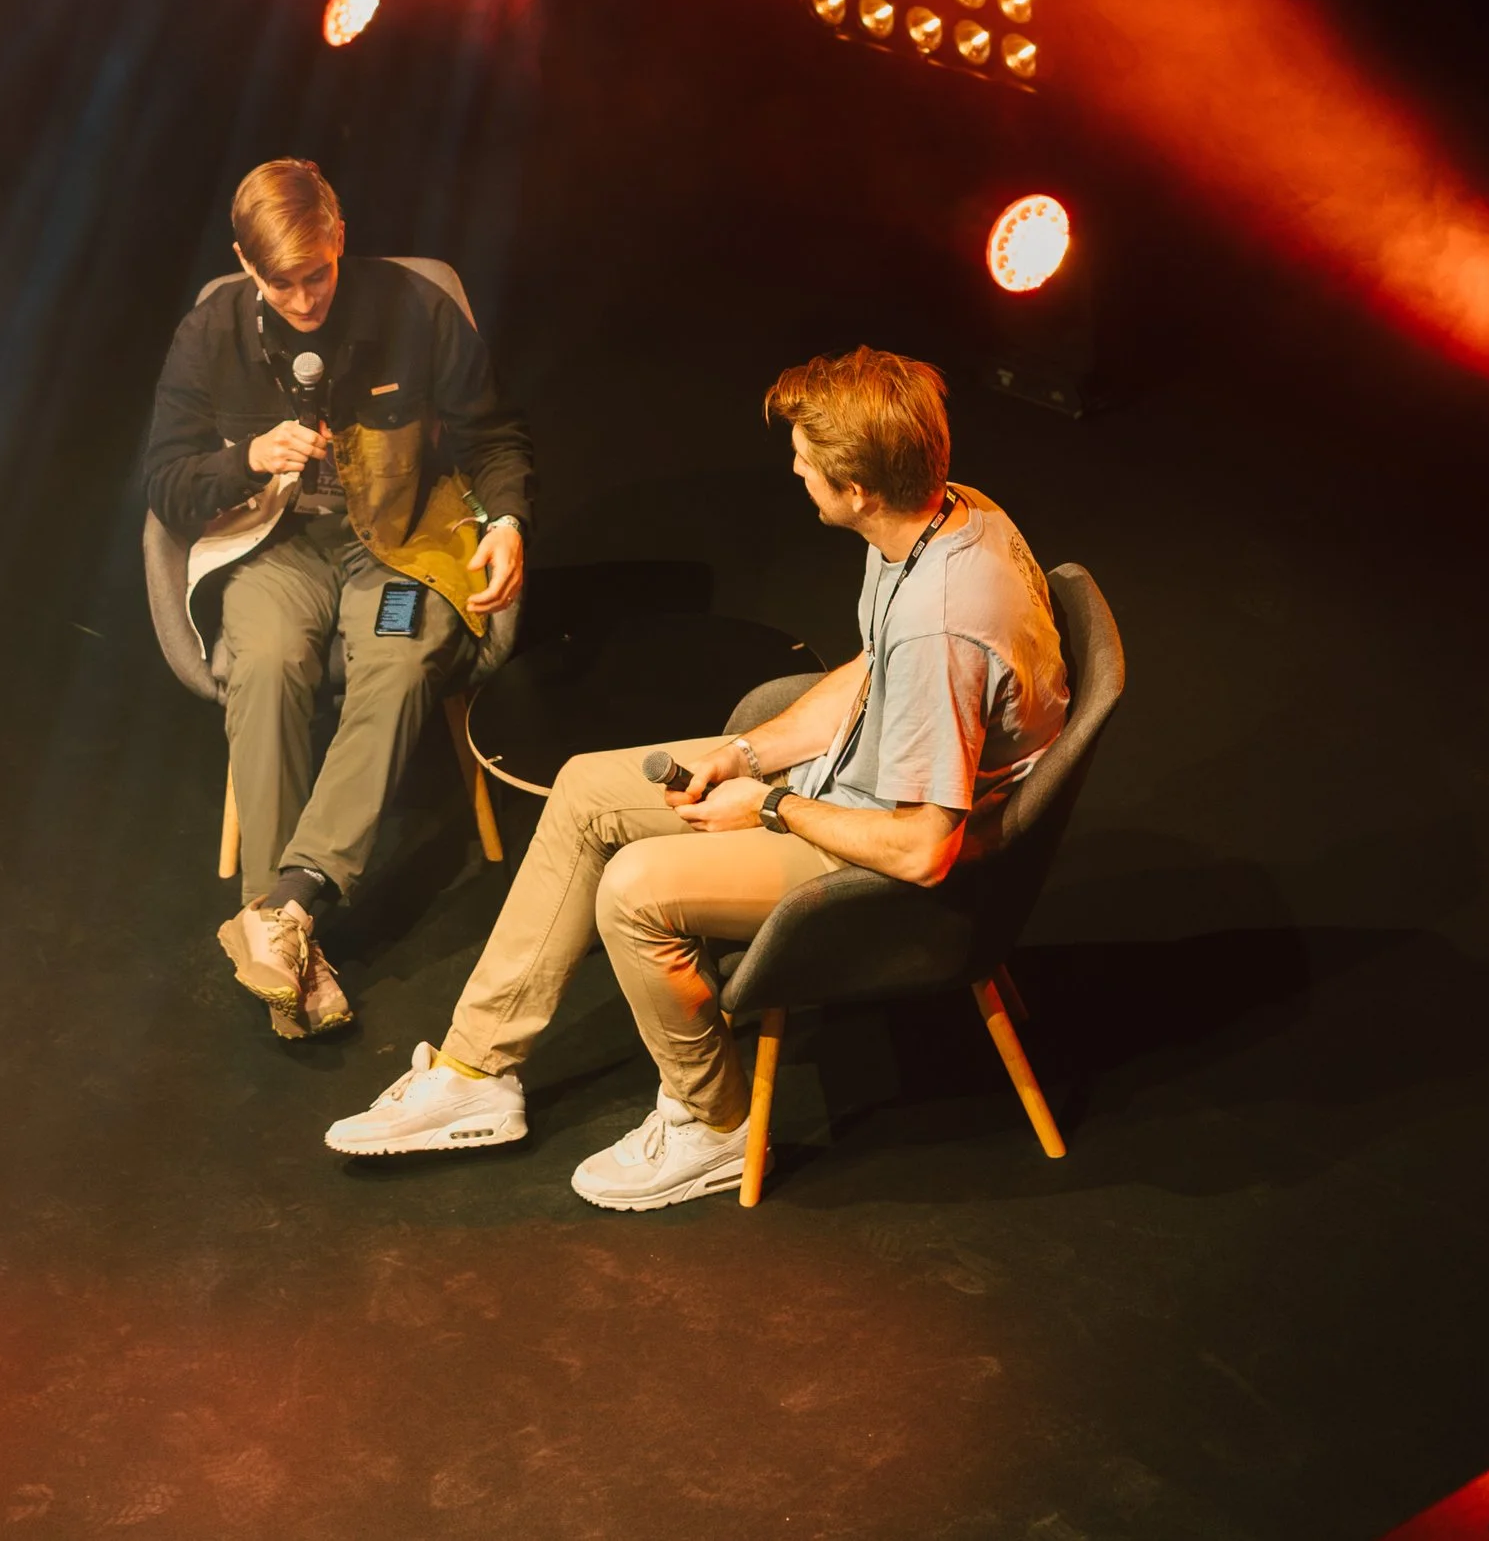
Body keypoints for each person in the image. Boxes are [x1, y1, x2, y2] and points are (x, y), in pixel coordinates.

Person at [323, 345, 1068, 1205]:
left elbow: (921, 850)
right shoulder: (943, 513)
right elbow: (874, 670)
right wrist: (745, 756)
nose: (792, 466)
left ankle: (714, 1124)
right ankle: (476, 1071)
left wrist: (776, 807)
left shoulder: (945, 624)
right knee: (582, 791)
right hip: (854, 787)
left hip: (898, 862)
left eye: (807, 461)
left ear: (859, 489)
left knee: (633, 892)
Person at [145, 157, 531, 1041]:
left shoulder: (416, 309)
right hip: (274, 545)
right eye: (282, 283)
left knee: (398, 657)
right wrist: (241, 460)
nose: (306, 298)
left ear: (339, 239)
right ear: (246, 265)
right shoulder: (208, 336)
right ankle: (289, 945)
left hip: (397, 543)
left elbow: (495, 438)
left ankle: (285, 905)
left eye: (317, 274)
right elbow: (165, 483)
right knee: (270, 660)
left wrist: (506, 520)